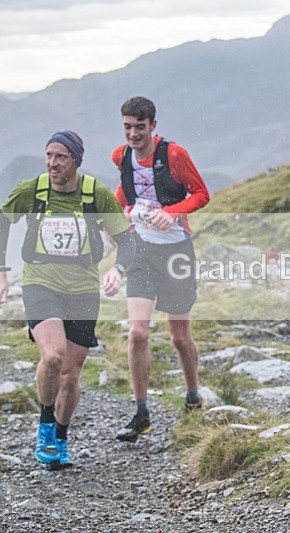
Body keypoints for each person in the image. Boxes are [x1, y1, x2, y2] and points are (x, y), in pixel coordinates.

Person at [0, 131, 134, 469]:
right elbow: (2, 220)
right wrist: (1, 270)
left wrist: (117, 269)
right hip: (40, 282)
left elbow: (127, 241)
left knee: (71, 375)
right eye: (48, 155)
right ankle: (45, 426)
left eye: (60, 156)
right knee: (53, 355)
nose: (52, 163)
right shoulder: (32, 190)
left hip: (83, 289)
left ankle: (61, 434)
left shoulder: (96, 195)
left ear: (75, 159)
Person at [111, 96, 210, 442]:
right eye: (127, 127)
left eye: (140, 126)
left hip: (175, 253)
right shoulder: (120, 156)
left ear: (153, 125)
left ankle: (193, 395)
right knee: (137, 332)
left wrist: (173, 212)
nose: (133, 133)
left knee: (179, 337)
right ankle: (141, 412)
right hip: (140, 253)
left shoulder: (174, 155)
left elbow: (201, 194)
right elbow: (126, 193)